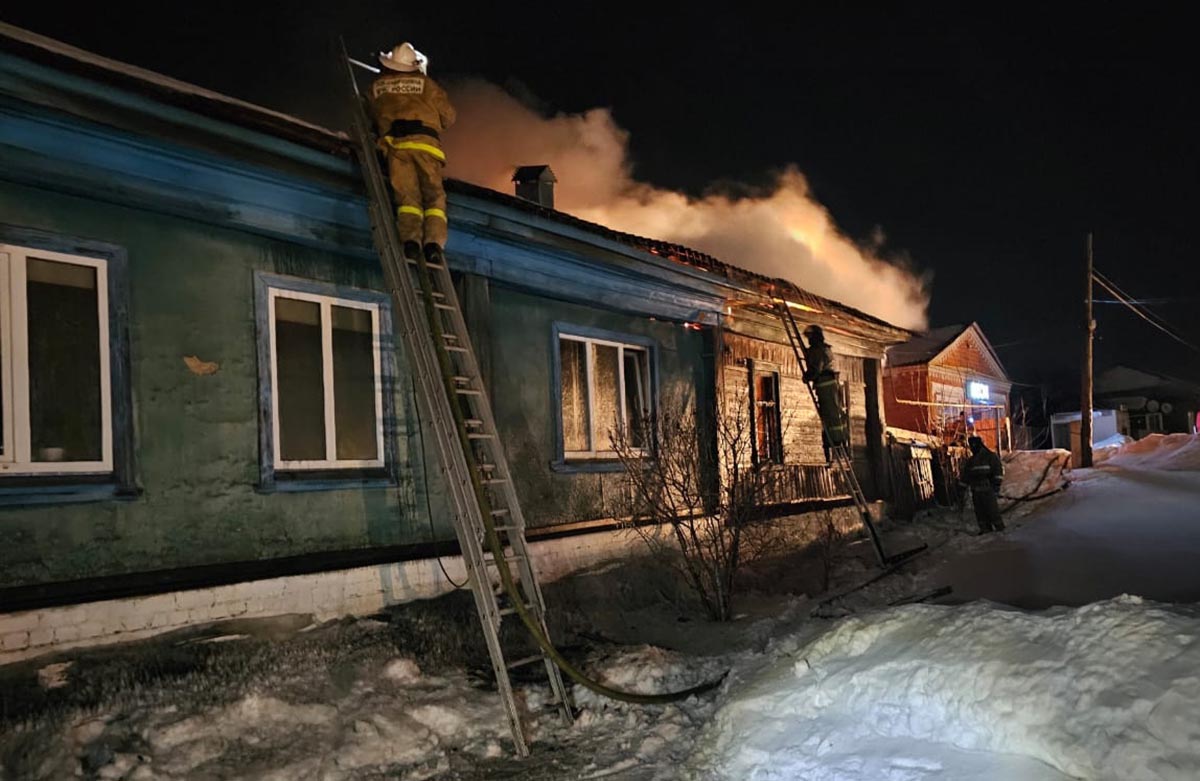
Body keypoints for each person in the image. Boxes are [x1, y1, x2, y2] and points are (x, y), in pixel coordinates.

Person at [368, 42, 457, 265]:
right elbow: (449, 117)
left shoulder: (376, 87)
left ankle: (410, 243)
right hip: (426, 147)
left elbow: (367, 114)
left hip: (395, 148)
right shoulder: (427, 85)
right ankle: (433, 245)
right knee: (434, 198)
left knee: (407, 199)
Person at [802, 325, 849, 447]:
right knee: (830, 412)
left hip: (825, 385)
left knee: (830, 413)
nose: (809, 340)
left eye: (810, 337)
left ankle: (835, 439)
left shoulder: (818, 350)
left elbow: (817, 368)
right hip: (827, 385)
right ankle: (835, 438)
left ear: (815, 336)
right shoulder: (823, 349)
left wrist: (808, 376)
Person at [959, 435, 1005, 533]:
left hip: (988, 491)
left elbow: (998, 472)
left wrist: (996, 486)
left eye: (974, 445)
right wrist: (961, 488)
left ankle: (1000, 530)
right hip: (976, 492)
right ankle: (985, 530)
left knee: (992, 511)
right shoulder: (970, 461)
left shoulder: (990, 457)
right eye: (971, 446)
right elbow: (966, 476)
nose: (972, 448)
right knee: (980, 513)